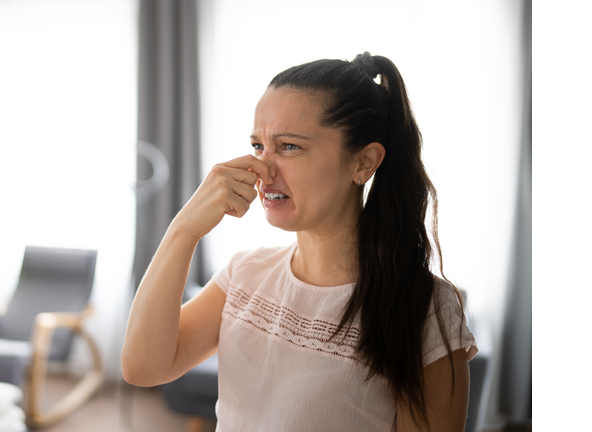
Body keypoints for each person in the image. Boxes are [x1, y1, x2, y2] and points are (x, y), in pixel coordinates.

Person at [122, 52, 477, 432]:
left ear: (364, 162)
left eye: (289, 146)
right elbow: (143, 368)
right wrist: (184, 229)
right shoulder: (245, 274)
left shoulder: (425, 309)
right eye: (258, 145)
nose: (263, 169)